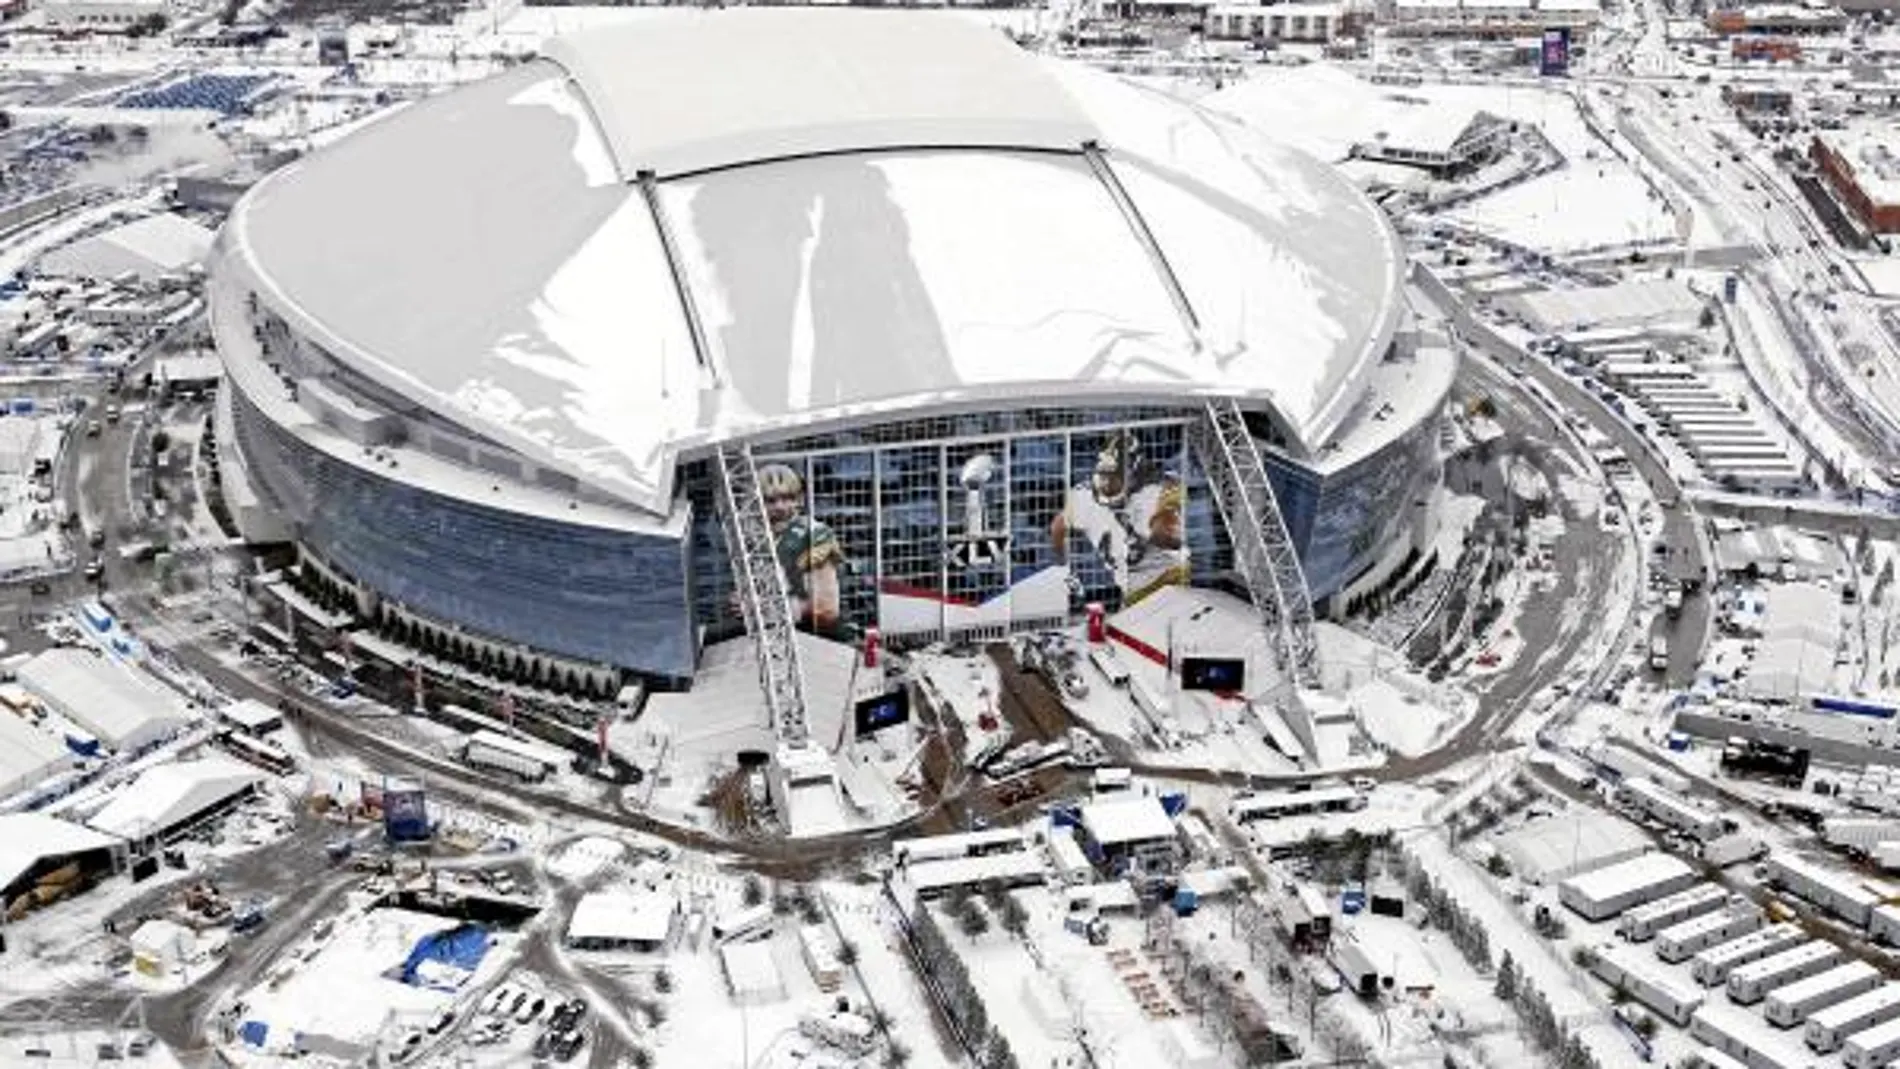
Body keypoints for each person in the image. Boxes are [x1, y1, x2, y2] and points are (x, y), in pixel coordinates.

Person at [1049, 434, 1188, 605]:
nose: (1107, 481)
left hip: (1163, 577)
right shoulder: (1083, 495)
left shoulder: (1159, 489)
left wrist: (1061, 565)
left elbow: (1057, 526)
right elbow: (1058, 526)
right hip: (1138, 587)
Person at [757, 463, 844, 636]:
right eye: (770, 500)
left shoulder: (814, 534)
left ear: (799, 500)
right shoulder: (759, 538)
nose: (780, 507)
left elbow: (827, 608)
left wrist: (768, 611)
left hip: (819, 640)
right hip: (777, 637)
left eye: (788, 498)